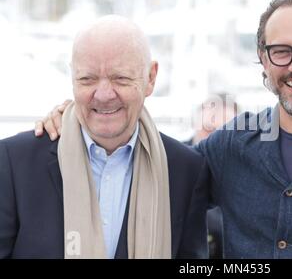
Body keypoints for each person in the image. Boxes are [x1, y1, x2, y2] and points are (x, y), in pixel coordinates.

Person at [36, 0, 292, 258]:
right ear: (264, 61)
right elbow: (151, 168)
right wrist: (79, 119)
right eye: (281, 51)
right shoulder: (229, 146)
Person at [0, 15, 209, 259]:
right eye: (87, 79)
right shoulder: (14, 162)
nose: (103, 94)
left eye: (120, 78)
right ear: (72, 78)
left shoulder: (185, 171)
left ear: (150, 78)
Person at [184, 94, 239, 259]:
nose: (212, 141)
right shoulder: (170, 162)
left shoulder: (247, 172)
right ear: (196, 121)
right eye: (207, 128)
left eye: (221, 133)